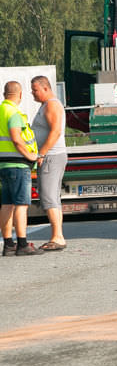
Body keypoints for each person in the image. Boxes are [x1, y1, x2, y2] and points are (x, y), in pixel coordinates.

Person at [0, 81, 42, 256]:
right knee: (21, 205)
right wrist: (31, 156)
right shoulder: (15, 113)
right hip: (18, 164)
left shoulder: (1, 110)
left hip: (3, 164)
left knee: (6, 205)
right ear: (20, 95)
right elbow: (17, 139)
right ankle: (23, 244)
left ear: (4, 94)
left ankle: (8, 244)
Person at [31, 76, 67, 251]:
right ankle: (57, 235)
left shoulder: (52, 104)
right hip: (52, 156)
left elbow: (56, 131)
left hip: (51, 156)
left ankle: (57, 237)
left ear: (45, 88)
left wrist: (42, 153)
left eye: (35, 90)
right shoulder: (46, 105)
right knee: (52, 197)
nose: (32, 93)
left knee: (49, 197)